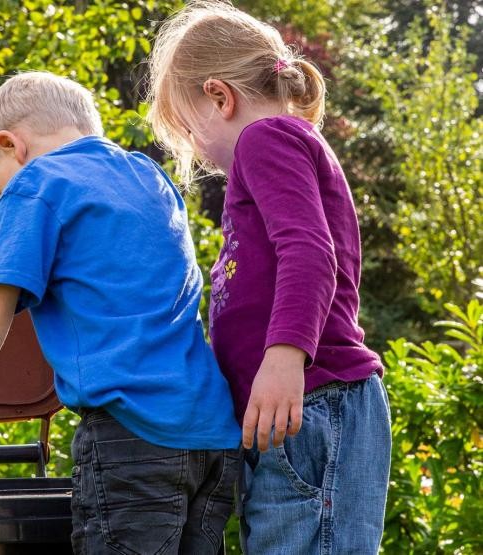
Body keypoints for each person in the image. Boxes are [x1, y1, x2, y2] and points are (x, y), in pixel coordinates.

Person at [0, 71, 241, 555]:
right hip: (213, 435)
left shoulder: (38, 183)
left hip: (133, 435)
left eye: (2, 192)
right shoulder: (149, 177)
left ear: (12, 145)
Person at [146, 2, 392, 553]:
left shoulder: (267, 139)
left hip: (314, 400)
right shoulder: (283, 143)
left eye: (189, 131)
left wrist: (284, 356)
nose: (198, 152)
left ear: (219, 97)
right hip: (298, 411)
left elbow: (309, 250)